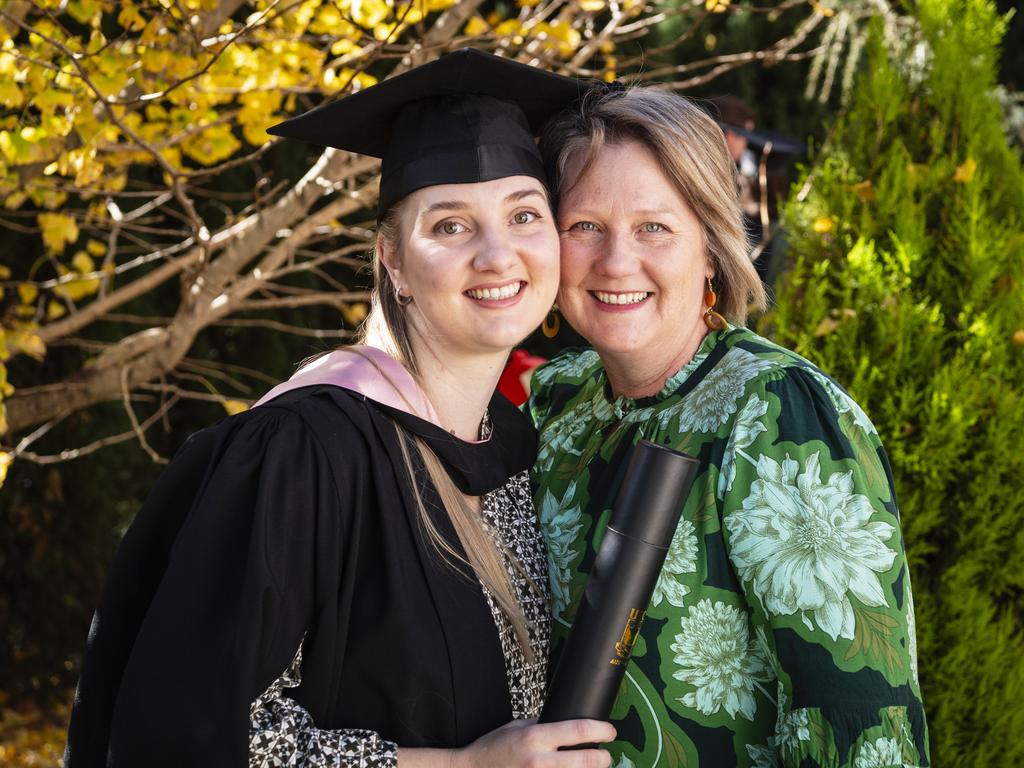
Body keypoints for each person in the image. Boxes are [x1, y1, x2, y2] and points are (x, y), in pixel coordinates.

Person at [63, 49, 616, 767]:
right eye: (449, 226)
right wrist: (460, 767)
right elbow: (197, 737)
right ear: (392, 261)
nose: (497, 254)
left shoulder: (512, 449)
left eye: (524, 214)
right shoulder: (305, 451)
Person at [528, 85, 929, 767]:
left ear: (710, 250)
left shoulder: (778, 416)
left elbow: (860, 722)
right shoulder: (559, 406)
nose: (616, 261)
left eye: (655, 227)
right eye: (584, 226)